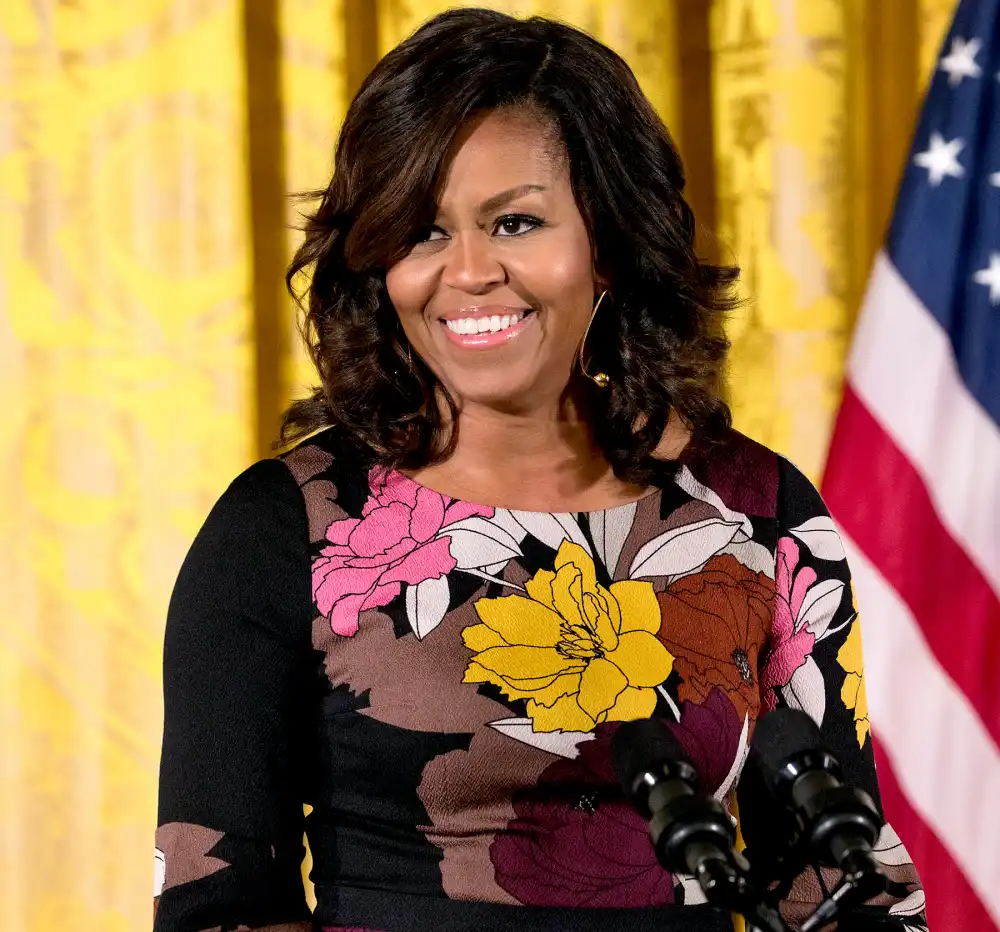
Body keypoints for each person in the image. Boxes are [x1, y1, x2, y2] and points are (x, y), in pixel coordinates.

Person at [153, 9, 926, 932]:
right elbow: (218, 904)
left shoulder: (754, 511)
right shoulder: (283, 527)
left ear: (606, 241)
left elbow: (845, 883)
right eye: (424, 232)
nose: (469, 273)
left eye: (515, 222)